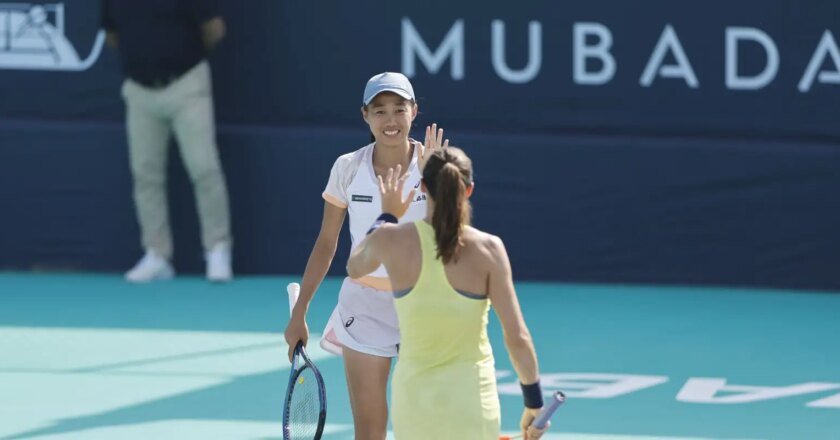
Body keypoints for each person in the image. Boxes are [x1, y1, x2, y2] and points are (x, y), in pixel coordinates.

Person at [283, 72, 448, 439]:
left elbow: (449, 241)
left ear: (414, 112)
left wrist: (437, 180)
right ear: (365, 116)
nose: (390, 120)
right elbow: (327, 243)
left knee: (424, 427)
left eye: (399, 109)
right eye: (380, 111)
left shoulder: (435, 162)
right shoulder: (347, 167)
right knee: (370, 432)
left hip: (422, 304)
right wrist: (300, 312)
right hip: (364, 308)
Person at [346, 147, 550, 439]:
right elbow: (517, 337)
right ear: (468, 190)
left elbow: (355, 267)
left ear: (424, 187)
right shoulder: (490, 249)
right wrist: (534, 403)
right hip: (473, 404)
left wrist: (387, 215)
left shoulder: (389, 239)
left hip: (414, 404)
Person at [102, 0, 233, 283]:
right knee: (145, 174)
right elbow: (112, 34)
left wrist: (181, 57)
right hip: (138, 89)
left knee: (204, 168)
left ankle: (217, 250)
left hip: (187, 84)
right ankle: (157, 254)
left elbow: (214, 28)